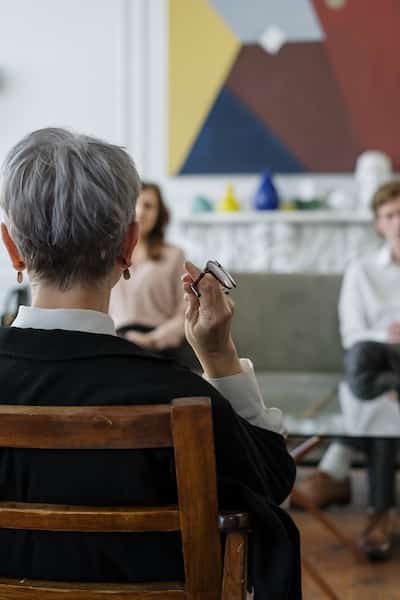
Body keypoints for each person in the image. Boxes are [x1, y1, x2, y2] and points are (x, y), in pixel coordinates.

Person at [0, 128, 300, 598]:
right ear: (128, 246)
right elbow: (271, 482)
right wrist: (218, 355)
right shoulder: (178, 397)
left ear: (11, 248)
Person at [295, 180, 400, 560]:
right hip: (374, 359)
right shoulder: (362, 270)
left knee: (370, 393)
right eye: (390, 215)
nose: (398, 222)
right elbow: (352, 333)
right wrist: (384, 333)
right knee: (364, 365)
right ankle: (379, 515)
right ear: (378, 224)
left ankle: (334, 469)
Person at [109, 182, 188, 361]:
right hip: (115, 342)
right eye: (135, 204)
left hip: (158, 344)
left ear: (159, 214)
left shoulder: (175, 256)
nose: (140, 211)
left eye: (149, 206)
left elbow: (185, 313)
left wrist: (153, 340)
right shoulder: (108, 254)